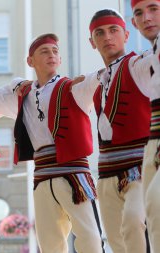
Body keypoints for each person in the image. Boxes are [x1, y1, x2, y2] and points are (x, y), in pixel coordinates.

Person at [0, 33, 104, 253]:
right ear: (30, 61)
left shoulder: (73, 88)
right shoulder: (22, 94)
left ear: (60, 60)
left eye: (55, 52)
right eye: (44, 51)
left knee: (90, 238)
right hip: (42, 177)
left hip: (74, 174)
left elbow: (99, 78)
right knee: (49, 242)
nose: (52, 55)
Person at [88, 9, 153, 253]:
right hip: (106, 174)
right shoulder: (97, 86)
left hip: (139, 169)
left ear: (126, 34)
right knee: (116, 242)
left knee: (134, 223)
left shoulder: (137, 65)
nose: (107, 37)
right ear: (92, 42)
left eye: (113, 30)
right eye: (99, 33)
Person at [131, 0, 160, 251]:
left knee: (156, 202)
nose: (146, 17)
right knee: (153, 213)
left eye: (154, 9)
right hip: (153, 141)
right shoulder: (149, 56)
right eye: (139, 13)